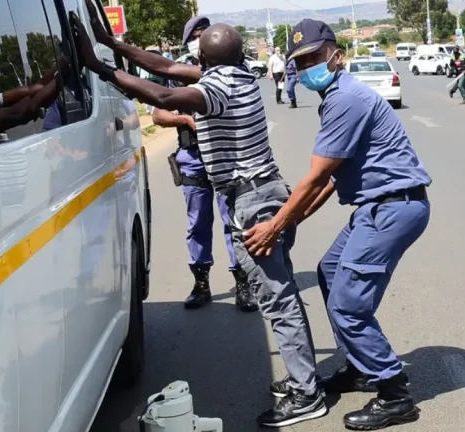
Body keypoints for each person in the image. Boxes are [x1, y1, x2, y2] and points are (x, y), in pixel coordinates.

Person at [71, 6, 324, 427]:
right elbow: (167, 67)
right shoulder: (239, 73)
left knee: (279, 302)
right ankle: (304, 380)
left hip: (253, 202)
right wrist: (112, 43)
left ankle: (307, 393)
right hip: (265, 193)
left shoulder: (216, 87)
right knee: (281, 297)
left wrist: (101, 67)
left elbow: (163, 95)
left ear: (204, 58)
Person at [243, 19, 432, 431]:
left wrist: (275, 225)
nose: (306, 66)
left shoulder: (346, 98)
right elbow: (331, 179)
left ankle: (396, 395)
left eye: (314, 57)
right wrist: (292, 220)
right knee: (330, 271)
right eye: (300, 61)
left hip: (393, 209)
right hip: (378, 207)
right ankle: (360, 368)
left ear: (336, 56)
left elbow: (316, 177)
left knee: (349, 306)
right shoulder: (335, 97)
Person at [153, 15, 257, 311]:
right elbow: (158, 114)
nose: (201, 40)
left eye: (205, 34)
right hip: (194, 157)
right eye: (197, 36)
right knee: (197, 222)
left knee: (234, 221)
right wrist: (185, 120)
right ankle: (201, 283)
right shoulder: (178, 70)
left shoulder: (231, 67)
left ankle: (243, 283)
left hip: (226, 156)